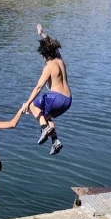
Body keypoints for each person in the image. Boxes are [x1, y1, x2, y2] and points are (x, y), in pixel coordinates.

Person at [20, 24, 72, 155]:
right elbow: (50, 42)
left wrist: (27, 104)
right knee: (44, 115)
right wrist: (41, 34)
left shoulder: (49, 67)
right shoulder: (60, 59)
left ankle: (44, 128)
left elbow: (38, 87)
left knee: (33, 106)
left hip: (57, 98)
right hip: (68, 100)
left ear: (44, 54)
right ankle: (55, 141)